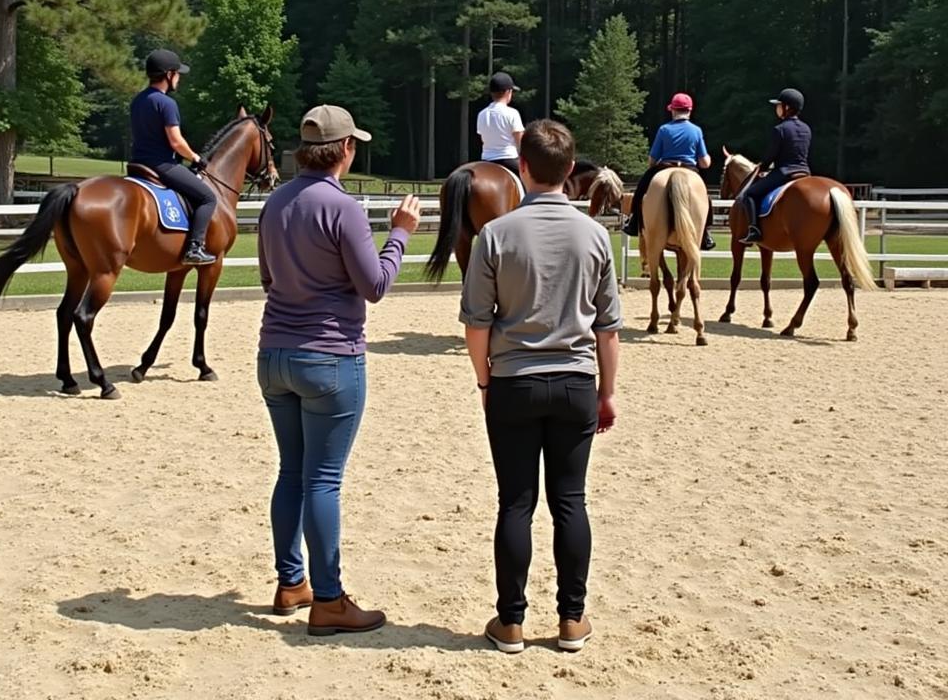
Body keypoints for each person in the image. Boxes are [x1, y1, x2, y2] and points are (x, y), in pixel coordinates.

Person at [256, 104, 422, 636]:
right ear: (345, 148)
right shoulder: (342, 207)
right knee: (323, 481)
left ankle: (291, 582)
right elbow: (374, 285)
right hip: (329, 354)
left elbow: (267, 279)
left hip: (274, 352)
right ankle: (328, 599)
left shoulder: (273, 203)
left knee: (291, 472)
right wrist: (400, 233)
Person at [459, 119, 622, 655]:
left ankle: (510, 623)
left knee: (516, 503)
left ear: (522, 167)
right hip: (576, 379)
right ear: (571, 171)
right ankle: (572, 620)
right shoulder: (596, 236)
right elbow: (607, 327)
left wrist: (485, 380)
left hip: (514, 381)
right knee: (571, 501)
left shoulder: (495, 235)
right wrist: (608, 391)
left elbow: (476, 324)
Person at [130, 48, 217, 266]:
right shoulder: (166, 103)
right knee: (208, 198)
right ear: (169, 75)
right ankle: (195, 248)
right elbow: (176, 142)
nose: (179, 78)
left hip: (138, 164)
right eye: (177, 74)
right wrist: (196, 158)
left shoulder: (138, 100)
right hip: (162, 165)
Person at [622, 92, 716, 250]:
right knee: (705, 198)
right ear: (690, 111)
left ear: (673, 110)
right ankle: (705, 233)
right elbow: (705, 162)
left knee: (641, 189)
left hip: (665, 166)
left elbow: (652, 161)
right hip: (690, 168)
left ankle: (634, 221)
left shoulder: (664, 129)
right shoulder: (697, 131)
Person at [738, 88, 812, 244]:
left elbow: (772, 155)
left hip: (785, 172)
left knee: (749, 195)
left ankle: (754, 229)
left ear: (786, 107)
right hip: (804, 171)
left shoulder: (780, 129)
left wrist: (762, 167)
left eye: (779, 105)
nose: (776, 108)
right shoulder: (806, 129)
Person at [476, 71, 525, 177]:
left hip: (486, 160)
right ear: (508, 92)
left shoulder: (482, 114)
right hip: (508, 159)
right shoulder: (512, 113)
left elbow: (483, 138)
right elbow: (520, 141)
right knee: (528, 181)